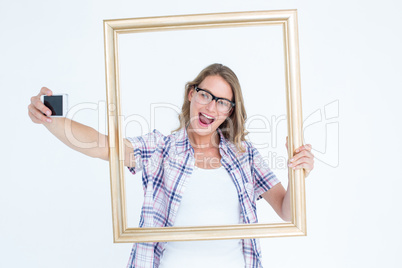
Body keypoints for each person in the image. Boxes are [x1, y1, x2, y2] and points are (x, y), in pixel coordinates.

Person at [28, 63, 314, 268]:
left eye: (223, 102)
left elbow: (287, 211)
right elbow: (101, 145)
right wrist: (51, 117)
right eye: (205, 95)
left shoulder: (244, 155)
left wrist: (297, 172)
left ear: (230, 112)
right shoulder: (160, 148)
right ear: (191, 93)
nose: (211, 108)